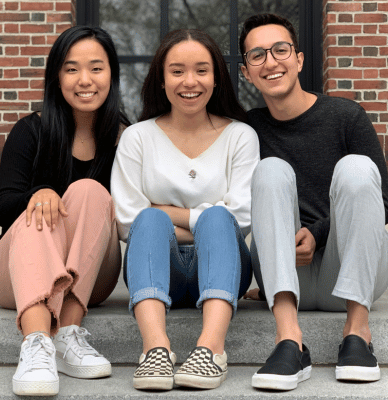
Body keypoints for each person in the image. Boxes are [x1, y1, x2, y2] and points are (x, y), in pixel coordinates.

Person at [239, 14, 388, 390]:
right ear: (246, 72)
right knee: (270, 170)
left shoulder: (346, 116)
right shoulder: (247, 130)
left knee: (357, 168)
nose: (271, 62)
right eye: (257, 55)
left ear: (299, 59)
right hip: (290, 276)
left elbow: (384, 205)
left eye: (280, 50)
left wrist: (317, 233)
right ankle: (289, 340)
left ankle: (358, 333)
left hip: (351, 272)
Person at [111, 29, 259, 391]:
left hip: (227, 268)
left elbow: (239, 217)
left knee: (213, 218)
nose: (189, 81)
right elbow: (129, 220)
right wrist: (200, 224)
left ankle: (211, 349)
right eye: (177, 71)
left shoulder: (241, 135)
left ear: (216, 78)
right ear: (161, 80)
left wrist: (174, 217)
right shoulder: (138, 137)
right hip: (157, 267)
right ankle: (155, 350)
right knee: (150, 218)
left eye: (201, 70)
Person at [0, 26, 129, 396]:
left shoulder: (127, 139)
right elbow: (1, 208)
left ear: (112, 74)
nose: (85, 80)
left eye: (96, 68)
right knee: (40, 208)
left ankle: (68, 334)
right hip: (21, 273)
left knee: (90, 191)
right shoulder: (30, 130)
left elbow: (132, 214)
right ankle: (36, 345)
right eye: (71, 69)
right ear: (56, 76)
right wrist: (40, 192)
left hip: (90, 273)